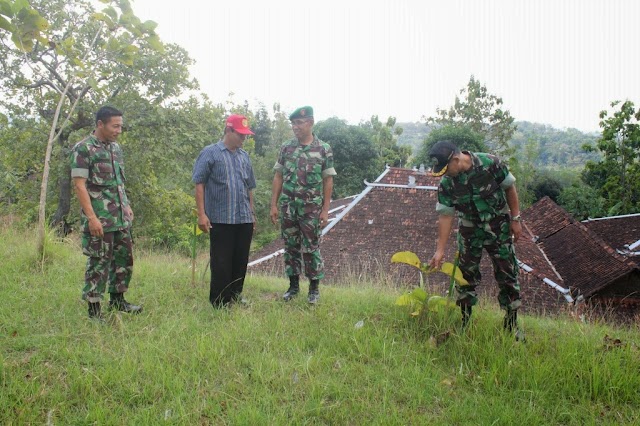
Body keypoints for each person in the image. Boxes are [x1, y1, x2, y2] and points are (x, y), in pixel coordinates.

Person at [427, 140, 523, 338]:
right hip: (469, 231)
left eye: (446, 169)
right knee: (465, 278)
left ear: (456, 159)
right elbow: (446, 216)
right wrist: (440, 250)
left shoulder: (490, 163)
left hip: (499, 227)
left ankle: (511, 323)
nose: (445, 174)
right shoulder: (447, 184)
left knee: (508, 274)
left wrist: (516, 218)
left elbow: (510, 188)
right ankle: (464, 322)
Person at [71, 106, 141, 319]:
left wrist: (126, 205)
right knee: (98, 263)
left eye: (121, 125)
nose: (119, 130)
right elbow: (79, 185)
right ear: (100, 124)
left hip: (120, 217)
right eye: (115, 126)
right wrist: (92, 218)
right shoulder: (83, 149)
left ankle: (118, 301)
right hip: (100, 219)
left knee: (123, 259)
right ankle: (94, 311)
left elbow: (119, 182)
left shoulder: (115, 149)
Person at [270, 106, 336, 304]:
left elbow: (328, 181)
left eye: (299, 123)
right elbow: (278, 175)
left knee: (311, 248)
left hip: (311, 210)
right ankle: (293, 287)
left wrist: (325, 209)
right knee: (290, 247)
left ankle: (314, 290)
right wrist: (273, 204)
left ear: (310, 123)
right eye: (293, 123)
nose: (295, 127)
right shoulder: (286, 147)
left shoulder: (323, 149)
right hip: (288, 208)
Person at [192, 114, 257, 308]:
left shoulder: (244, 157)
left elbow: (249, 187)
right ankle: (220, 301)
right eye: (240, 135)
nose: (244, 139)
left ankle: (236, 294)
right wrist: (201, 214)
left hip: (243, 217)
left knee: (240, 260)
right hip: (220, 218)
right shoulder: (210, 153)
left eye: (246, 135)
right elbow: (199, 184)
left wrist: (252, 214)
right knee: (221, 261)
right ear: (229, 131)